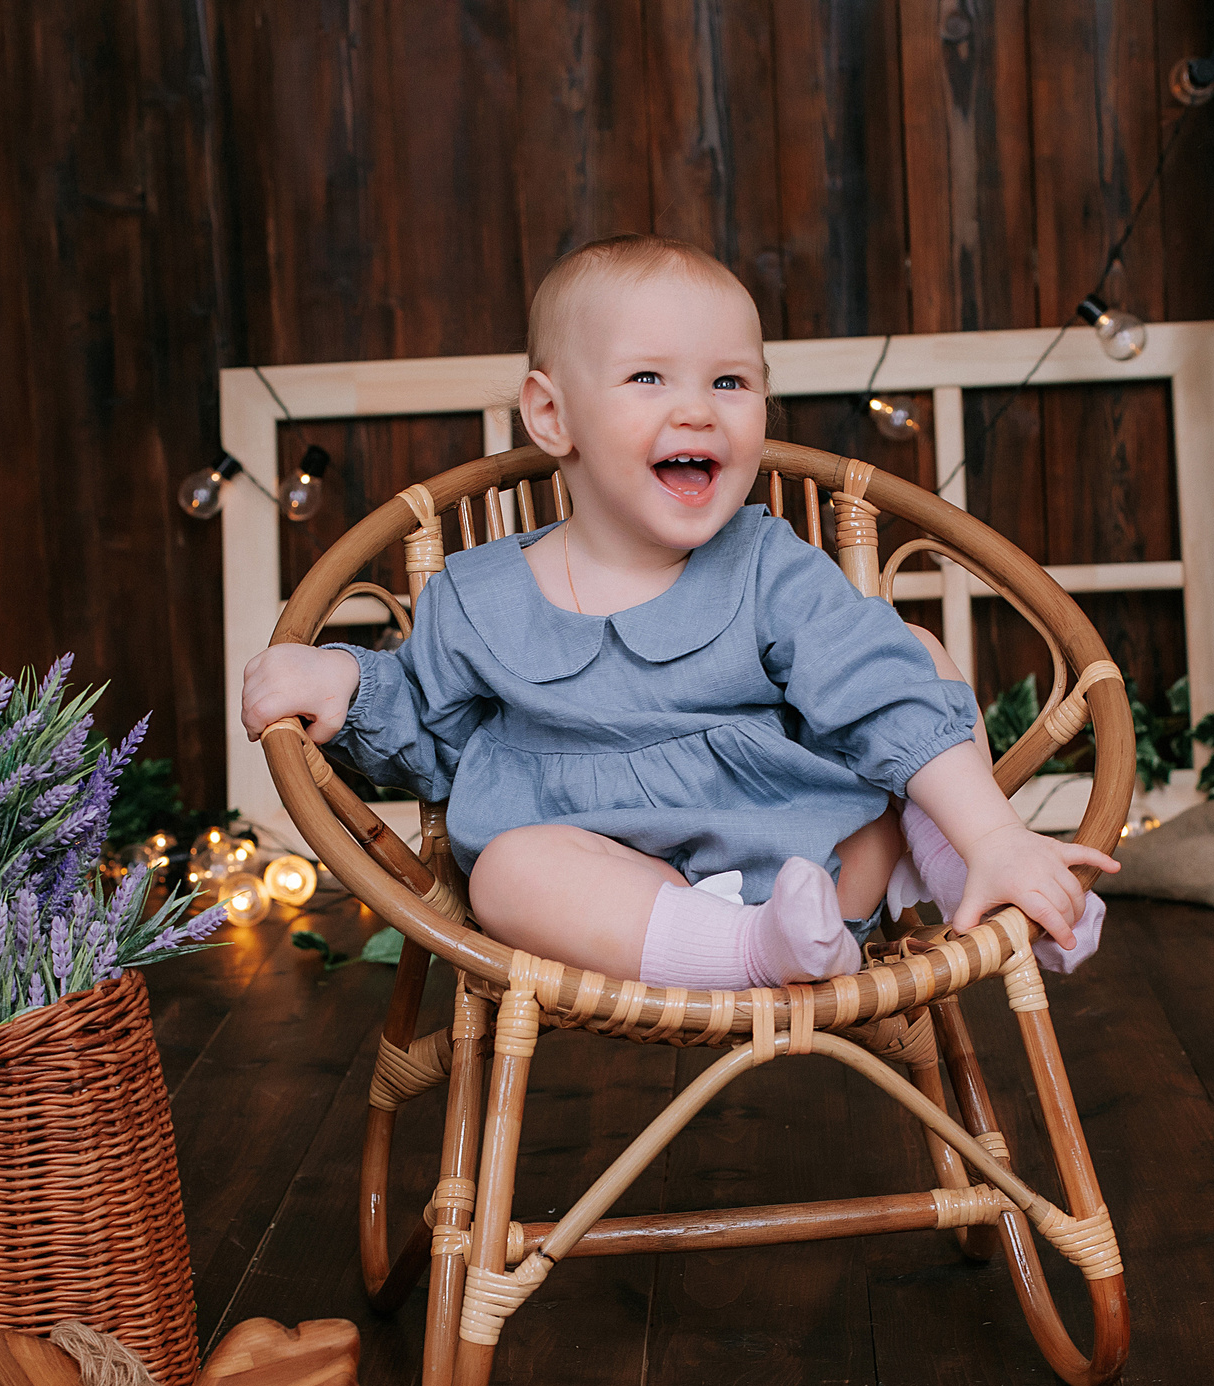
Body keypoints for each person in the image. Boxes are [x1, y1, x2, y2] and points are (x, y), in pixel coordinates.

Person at [240, 234, 1113, 990]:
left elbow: (876, 688)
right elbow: (431, 735)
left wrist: (995, 826)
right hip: (632, 919)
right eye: (648, 375)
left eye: (731, 381)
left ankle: (976, 865)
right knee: (507, 872)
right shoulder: (479, 597)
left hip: (821, 865)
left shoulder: (765, 562)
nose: (697, 408)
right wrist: (345, 678)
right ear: (551, 413)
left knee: (905, 651)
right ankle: (746, 950)